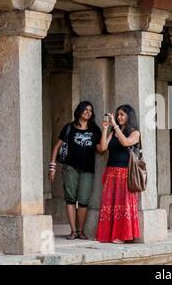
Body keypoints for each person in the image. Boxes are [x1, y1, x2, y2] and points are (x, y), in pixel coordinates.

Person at [48, 101, 102, 240]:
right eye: (85, 109)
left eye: (90, 110)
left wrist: (107, 129)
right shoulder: (69, 128)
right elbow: (56, 147)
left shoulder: (95, 129)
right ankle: (73, 231)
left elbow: (101, 149)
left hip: (88, 170)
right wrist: (52, 166)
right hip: (70, 168)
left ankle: (80, 231)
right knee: (70, 200)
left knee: (83, 201)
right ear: (79, 111)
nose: (88, 112)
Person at [96, 105, 141, 243]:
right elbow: (102, 148)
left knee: (124, 204)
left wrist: (115, 125)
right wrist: (105, 129)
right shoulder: (113, 132)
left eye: (121, 114)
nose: (119, 117)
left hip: (125, 173)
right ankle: (109, 234)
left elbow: (126, 142)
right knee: (110, 204)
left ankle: (122, 235)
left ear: (129, 116)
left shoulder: (135, 132)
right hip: (111, 172)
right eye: (117, 115)